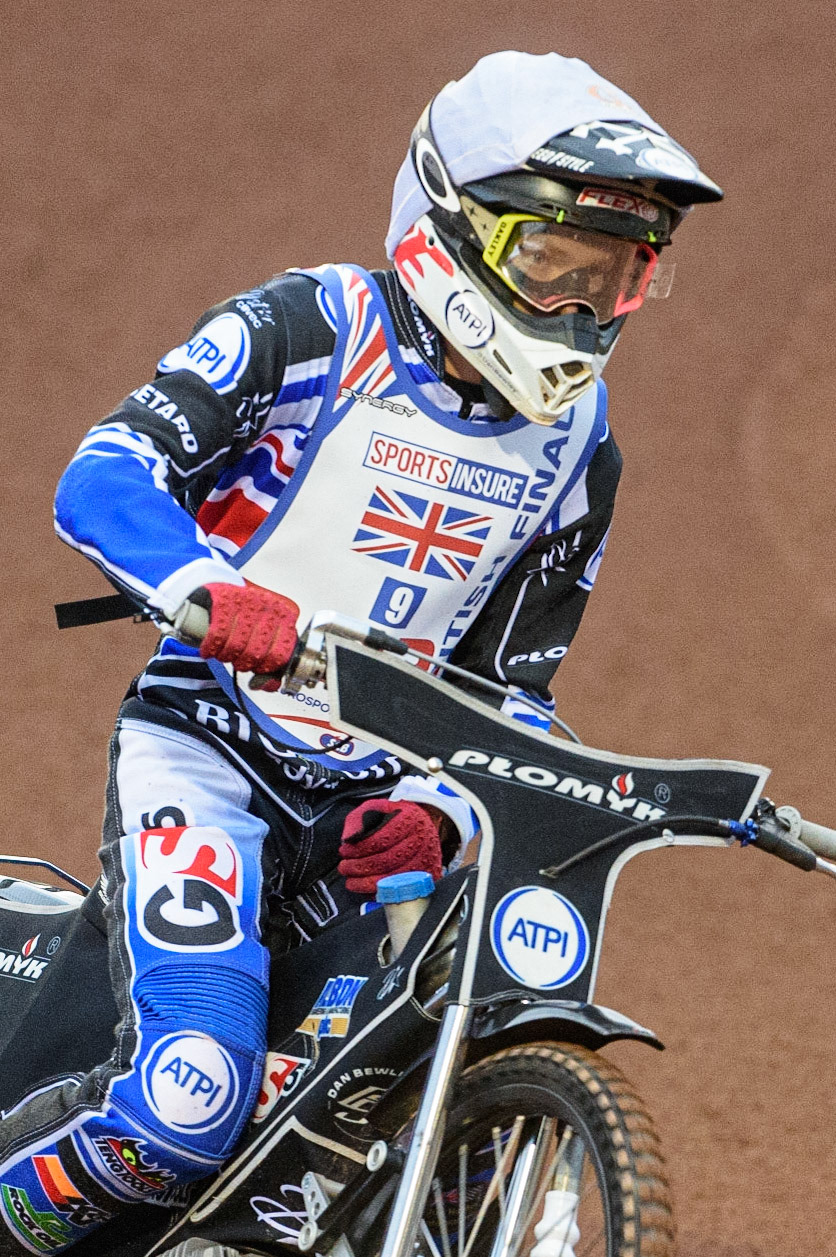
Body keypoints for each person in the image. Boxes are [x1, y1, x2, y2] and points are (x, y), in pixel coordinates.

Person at [0, 49, 721, 1253]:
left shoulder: (576, 446)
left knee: (345, 1106)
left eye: (614, 276)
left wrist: (449, 800)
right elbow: (106, 476)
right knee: (185, 1106)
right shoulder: (312, 327)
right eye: (550, 263)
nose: (580, 311)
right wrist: (212, 593)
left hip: (379, 800)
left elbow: (514, 686)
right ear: (450, 222)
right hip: (211, 752)